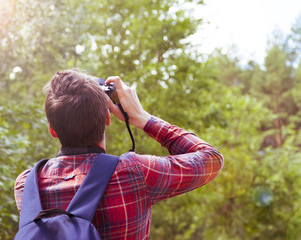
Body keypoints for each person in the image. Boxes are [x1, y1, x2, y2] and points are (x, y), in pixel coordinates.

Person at [14, 69, 224, 239]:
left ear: (52, 130)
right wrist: (142, 117)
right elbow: (211, 159)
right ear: (107, 118)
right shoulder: (135, 173)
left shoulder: (26, 186)